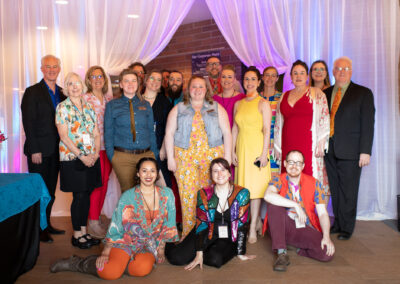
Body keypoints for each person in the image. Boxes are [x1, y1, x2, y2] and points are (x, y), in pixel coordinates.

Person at [50, 157, 179, 280]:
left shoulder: (167, 194)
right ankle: (77, 263)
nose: (148, 175)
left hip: (148, 245)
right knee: (110, 272)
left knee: (141, 269)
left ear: (157, 174)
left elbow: (169, 223)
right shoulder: (128, 196)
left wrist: (161, 249)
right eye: (144, 171)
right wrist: (106, 252)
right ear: (138, 174)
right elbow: (116, 225)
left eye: (152, 171)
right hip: (125, 239)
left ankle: (119, 263)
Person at [165, 75, 232, 239]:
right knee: (188, 197)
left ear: (206, 89)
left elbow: (227, 133)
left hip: (212, 159)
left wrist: (227, 158)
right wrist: (170, 158)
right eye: (194, 86)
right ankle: (188, 235)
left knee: (210, 196)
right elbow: (169, 133)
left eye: (201, 86)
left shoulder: (216, 108)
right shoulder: (179, 109)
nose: (197, 90)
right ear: (188, 90)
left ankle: (210, 234)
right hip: (185, 159)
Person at [165, 158, 255, 269]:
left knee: (215, 260)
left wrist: (240, 252)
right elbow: (201, 224)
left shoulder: (242, 193)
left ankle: (217, 248)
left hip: (228, 234)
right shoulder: (203, 193)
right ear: (211, 175)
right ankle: (167, 242)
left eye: (223, 170)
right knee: (176, 258)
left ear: (229, 173)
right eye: (215, 171)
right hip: (207, 230)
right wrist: (199, 252)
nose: (219, 174)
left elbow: (242, 224)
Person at [324, 56, 375, 240]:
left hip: (352, 151)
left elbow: (368, 124)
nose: (342, 72)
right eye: (338, 68)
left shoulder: (363, 93)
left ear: (351, 71)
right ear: (333, 71)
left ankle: (347, 227)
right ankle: (337, 223)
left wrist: (365, 151)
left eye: (346, 69)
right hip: (329, 150)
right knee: (336, 189)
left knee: (349, 190)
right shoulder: (326, 92)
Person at [263, 150, 334, 272]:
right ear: (285, 163)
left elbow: (322, 213)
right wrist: (295, 205)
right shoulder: (278, 179)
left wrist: (326, 237)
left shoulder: (314, 183)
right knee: (274, 205)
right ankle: (281, 253)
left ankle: (296, 248)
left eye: (298, 163)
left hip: (303, 227)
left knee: (326, 253)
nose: (294, 166)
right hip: (282, 225)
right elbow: (268, 196)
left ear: (303, 166)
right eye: (291, 162)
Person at [21, 54, 66, 243]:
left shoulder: (62, 93)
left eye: (55, 66)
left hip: (58, 151)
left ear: (59, 69)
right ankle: (37, 230)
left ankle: (46, 224)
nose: (51, 70)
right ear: (42, 69)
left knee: (50, 191)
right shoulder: (32, 92)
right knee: (39, 191)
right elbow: (28, 122)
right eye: (48, 67)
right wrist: (34, 149)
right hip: (40, 151)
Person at [56, 72, 102, 249]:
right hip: (72, 158)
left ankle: (84, 231)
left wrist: (96, 154)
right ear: (66, 88)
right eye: (70, 84)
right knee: (79, 196)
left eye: (77, 83)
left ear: (82, 86)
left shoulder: (89, 106)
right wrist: (82, 156)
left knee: (87, 194)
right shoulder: (62, 107)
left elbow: (96, 133)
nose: (74, 86)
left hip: (91, 157)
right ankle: (77, 235)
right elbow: (64, 136)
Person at [274, 60, 330, 193]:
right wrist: (277, 146)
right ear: (291, 77)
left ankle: (309, 210)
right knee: (288, 174)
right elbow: (278, 122)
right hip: (288, 143)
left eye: (302, 73)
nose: (298, 76)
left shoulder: (316, 93)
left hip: (308, 142)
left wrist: (322, 140)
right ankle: (290, 210)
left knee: (308, 175)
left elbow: (324, 116)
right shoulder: (283, 96)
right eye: (295, 73)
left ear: (307, 76)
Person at [232, 66, 272, 244]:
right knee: (243, 188)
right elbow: (234, 128)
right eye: (246, 79)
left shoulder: (263, 103)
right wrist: (232, 150)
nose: (249, 82)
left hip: (257, 150)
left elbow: (266, 130)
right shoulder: (238, 104)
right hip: (242, 148)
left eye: (253, 79)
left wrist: (264, 154)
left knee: (255, 190)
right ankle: (252, 221)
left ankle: (254, 223)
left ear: (259, 81)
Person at [104, 69, 158, 192]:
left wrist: (154, 154)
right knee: (128, 194)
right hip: (122, 158)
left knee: (147, 192)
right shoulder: (112, 105)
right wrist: (112, 156)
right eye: (126, 81)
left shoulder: (146, 105)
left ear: (138, 84)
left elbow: (151, 131)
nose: (130, 84)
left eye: (133, 81)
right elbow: (108, 133)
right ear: (121, 85)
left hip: (146, 156)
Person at [82, 66, 113, 238]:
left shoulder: (109, 99)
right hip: (94, 149)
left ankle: (97, 216)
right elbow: (81, 126)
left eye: (100, 76)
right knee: (96, 184)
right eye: (93, 76)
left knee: (105, 183)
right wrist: (88, 150)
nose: (97, 79)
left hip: (107, 147)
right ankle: (92, 221)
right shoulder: (84, 98)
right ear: (88, 80)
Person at [142, 70, 173, 188]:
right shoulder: (136, 100)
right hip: (140, 149)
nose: (155, 82)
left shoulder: (165, 103)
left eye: (159, 80)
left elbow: (169, 129)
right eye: (152, 78)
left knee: (164, 186)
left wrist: (164, 149)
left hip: (159, 149)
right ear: (146, 80)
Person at [260, 66, 282, 178]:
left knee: (274, 179)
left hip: (275, 144)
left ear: (277, 78)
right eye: (267, 75)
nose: (270, 78)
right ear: (262, 77)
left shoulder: (282, 98)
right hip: (259, 143)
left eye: (273, 75)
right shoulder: (256, 98)